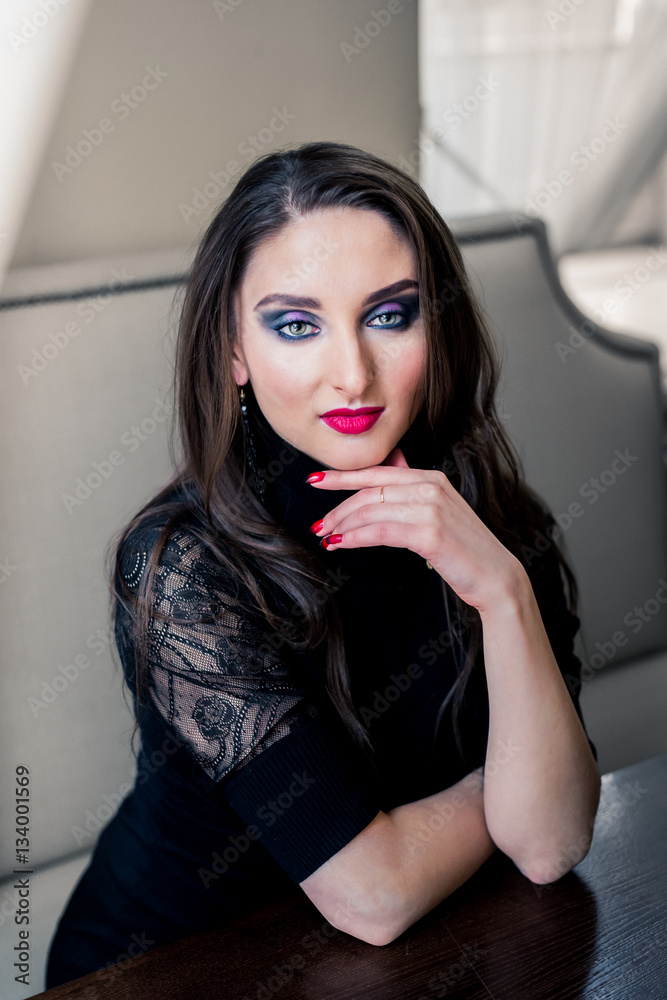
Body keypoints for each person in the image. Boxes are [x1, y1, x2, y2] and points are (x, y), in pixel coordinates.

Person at [46, 140, 600, 987]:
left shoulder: (490, 519)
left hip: (398, 967)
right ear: (234, 351)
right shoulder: (180, 565)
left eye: (390, 315)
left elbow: (550, 843)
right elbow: (373, 896)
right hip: (166, 966)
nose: (352, 373)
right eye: (296, 325)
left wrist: (501, 592)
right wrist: (499, 790)